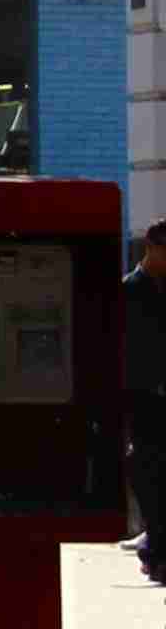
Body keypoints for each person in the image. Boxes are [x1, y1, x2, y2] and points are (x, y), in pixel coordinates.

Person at [126, 224, 166, 587]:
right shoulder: (128, 292)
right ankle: (156, 553)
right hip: (143, 403)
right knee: (150, 478)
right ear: (151, 247)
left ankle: (157, 552)